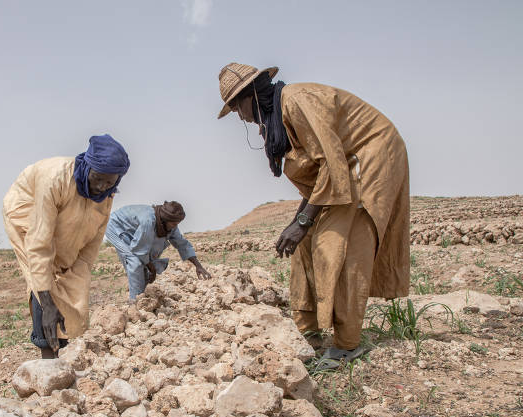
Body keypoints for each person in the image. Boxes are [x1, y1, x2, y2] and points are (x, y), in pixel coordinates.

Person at [217, 63, 410, 370]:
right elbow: (317, 176)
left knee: (340, 243)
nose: (239, 116)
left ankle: (346, 345)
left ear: (250, 95)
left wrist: (304, 222)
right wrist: (298, 223)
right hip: (340, 171)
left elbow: (331, 162)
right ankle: (308, 332)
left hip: (369, 157)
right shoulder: (278, 115)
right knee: (303, 244)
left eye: (236, 107)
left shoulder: (296, 100)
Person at [2, 134, 130, 359]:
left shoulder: (105, 195)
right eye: (97, 178)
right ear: (88, 166)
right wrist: (48, 302)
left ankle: (64, 343)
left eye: (110, 182)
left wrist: (76, 278)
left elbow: (90, 246)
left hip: (65, 218)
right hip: (25, 210)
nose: (101, 187)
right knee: (42, 274)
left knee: (73, 276)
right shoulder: (56, 178)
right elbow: (39, 244)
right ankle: (47, 351)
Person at [106, 201, 211, 300]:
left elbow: (182, 244)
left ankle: (141, 295)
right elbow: (140, 251)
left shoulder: (170, 225)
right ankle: (134, 301)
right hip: (116, 226)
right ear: (165, 220)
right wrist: (152, 269)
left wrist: (198, 265)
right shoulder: (148, 221)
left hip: (133, 229)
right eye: (174, 224)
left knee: (148, 257)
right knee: (135, 261)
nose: (176, 226)